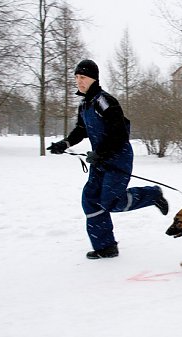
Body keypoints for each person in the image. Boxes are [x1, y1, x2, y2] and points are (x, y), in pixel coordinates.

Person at [47, 59, 169, 259]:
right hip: (99, 159)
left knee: (111, 202)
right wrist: (65, 144)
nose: (79, 81)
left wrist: (102, 153)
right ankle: (105, 246)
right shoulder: (84, 104)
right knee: (91, 199)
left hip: (117, 157)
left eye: (83, 77)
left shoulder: (104, 101)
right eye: (77, 77)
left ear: (94, 78)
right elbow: (81, 130)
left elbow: (119, 132)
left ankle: (152, 195)